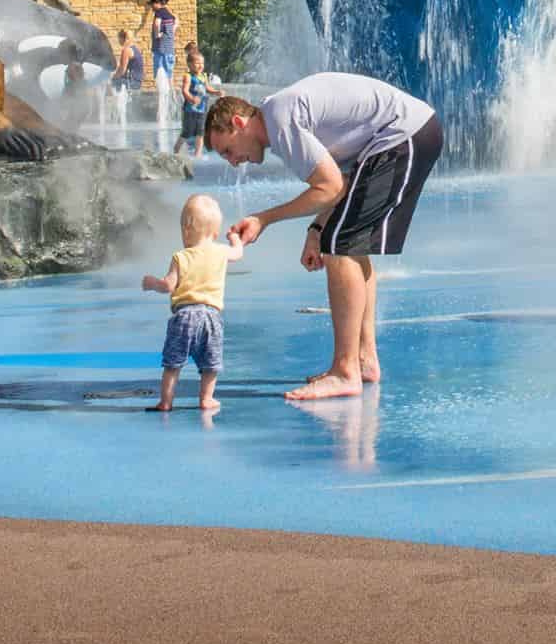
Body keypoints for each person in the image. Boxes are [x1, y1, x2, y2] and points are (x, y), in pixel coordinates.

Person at [208, 73, 444, 401]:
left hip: (403, 135)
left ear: (238, 122)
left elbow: (330, 187)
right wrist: (317, 230)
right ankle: (363, 360)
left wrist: (264, 219)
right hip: (411, 132)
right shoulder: (281, 117)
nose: (234, 162)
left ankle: (344, 372)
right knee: (347, 242)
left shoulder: (279, 118)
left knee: (341, 247)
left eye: (228, 150)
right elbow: (340, 182)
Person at [140, 192, 244, 413]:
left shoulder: (181, 257)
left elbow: (168, 285)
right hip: (211, 317)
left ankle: (166, 402)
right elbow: (238, 253)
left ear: (185, 230)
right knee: (210, 364)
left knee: (172, 364)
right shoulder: (220, 251)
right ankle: (206, 398)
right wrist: (235, 238)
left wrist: (151, 283)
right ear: (215, 232)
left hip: (184, 316)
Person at [173, 44, 217, 156]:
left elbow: (208, 88)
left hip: (202, 110)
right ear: (190, 64)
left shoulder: (204, 76)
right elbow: (185, 90)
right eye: (197, 63)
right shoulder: (188, 76)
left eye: (202, 63)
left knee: (200, 133)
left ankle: (197, 155)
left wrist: (216, 92)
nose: (200, 65)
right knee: (187, 133)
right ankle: (176, 150)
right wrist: (191, 98)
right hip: (189, 111)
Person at [148, 0, 178, 84]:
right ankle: (172, 95)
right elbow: (176, 21)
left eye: (152, 4)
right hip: (170, 49)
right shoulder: (169, 14)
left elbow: (157, 24)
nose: (151, 7)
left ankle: (162, 96)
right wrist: (171, 32)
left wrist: (157, 35)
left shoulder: (159, 12)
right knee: (169, 74)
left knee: (160, 74)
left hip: (160, 49)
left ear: (157, 3)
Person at [111, 27, 144, 95]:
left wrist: (113, 78)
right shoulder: (135, 49)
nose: (119, 41)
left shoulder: (126, 50)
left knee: (107, 83)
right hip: (137, 81)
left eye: (119, 38)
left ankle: (108, 104)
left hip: (130, 82)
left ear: (124, 39)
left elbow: (122, 70)